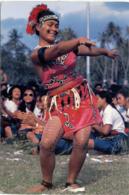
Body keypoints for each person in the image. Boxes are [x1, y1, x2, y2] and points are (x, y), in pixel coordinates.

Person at [26, 3, 118, 192]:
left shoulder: (68, 48)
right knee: (47, 143)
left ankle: (71, 180)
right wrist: (76, 40)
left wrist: (105, 52)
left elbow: (87, 51)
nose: (54, 29)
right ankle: (46, 182)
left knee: (82, 141)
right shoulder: (37, 54)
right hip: (57, 103)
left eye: (56, 25)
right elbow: (57, 50)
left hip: (81, 98)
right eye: (49, 25)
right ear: (37, 27)